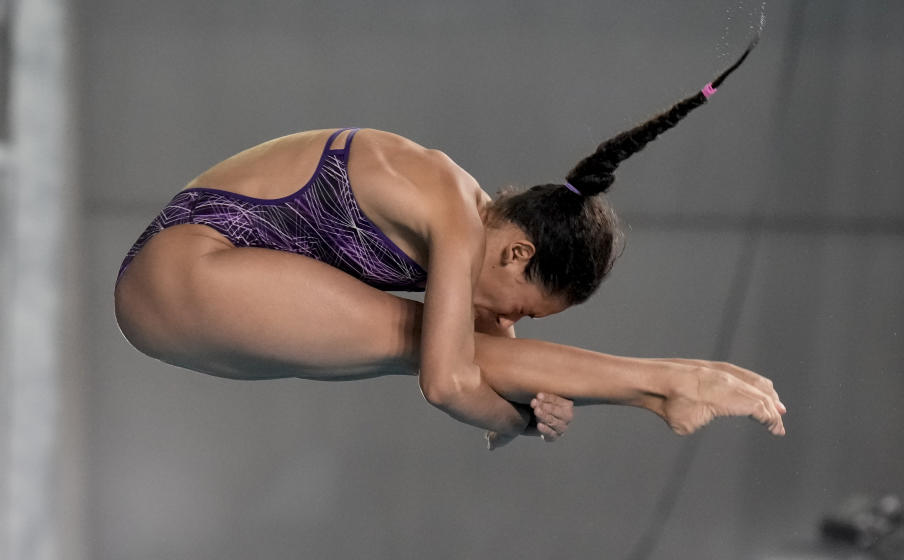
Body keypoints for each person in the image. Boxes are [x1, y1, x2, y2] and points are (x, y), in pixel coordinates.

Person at [114, 40, 785, 450]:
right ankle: (672, 382)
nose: (512, 320)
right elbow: (448, 383)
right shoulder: (449, 211)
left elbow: (495, 378)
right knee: (422, 343)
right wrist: (521, 418)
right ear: (517, 254)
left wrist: (527, 408)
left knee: (458, 342)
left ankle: (663, 389)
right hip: (182, 275)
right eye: (528, 307)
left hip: (212, 307)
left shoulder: (481, 251)